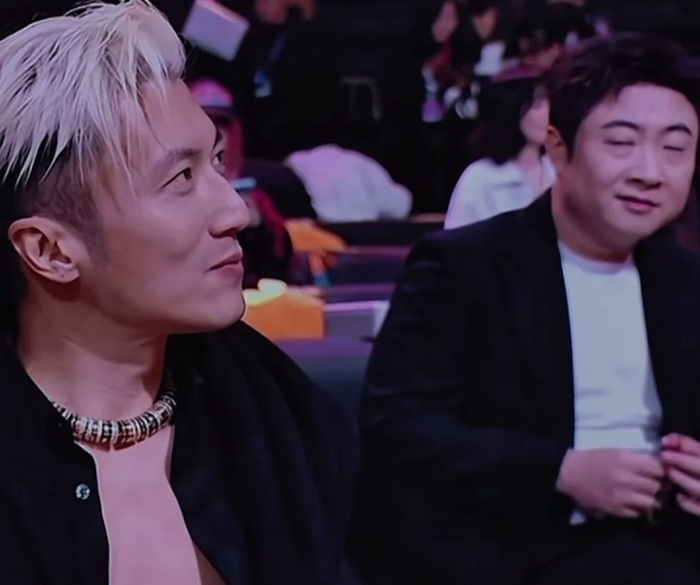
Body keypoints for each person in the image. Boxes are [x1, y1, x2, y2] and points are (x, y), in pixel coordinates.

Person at [0, 2, 357, 584]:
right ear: (50, 251)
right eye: (181, 178)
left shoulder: (287, 427)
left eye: (216, 161)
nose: (235, 211)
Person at [353, 33, 700, 585]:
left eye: (675, 149)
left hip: (670, 534)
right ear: (557, 147)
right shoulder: (463, 265)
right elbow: (398, 428)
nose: (650, 172)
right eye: (621, 142)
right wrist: (561, 471)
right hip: (518, 540)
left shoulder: (684, 278)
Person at [189, 78, 296, 289]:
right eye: (205, 119)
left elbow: (284, 265)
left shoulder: (255, 197)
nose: (214, 131)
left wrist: (259, 228)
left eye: (222, 122)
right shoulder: (166, 192)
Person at [444, 73, 554, 228]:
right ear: (512, 111)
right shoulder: (479, 178)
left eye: (548, 103)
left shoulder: (560, 170)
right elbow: (455, 240)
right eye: (536, 106)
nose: (547, 113)